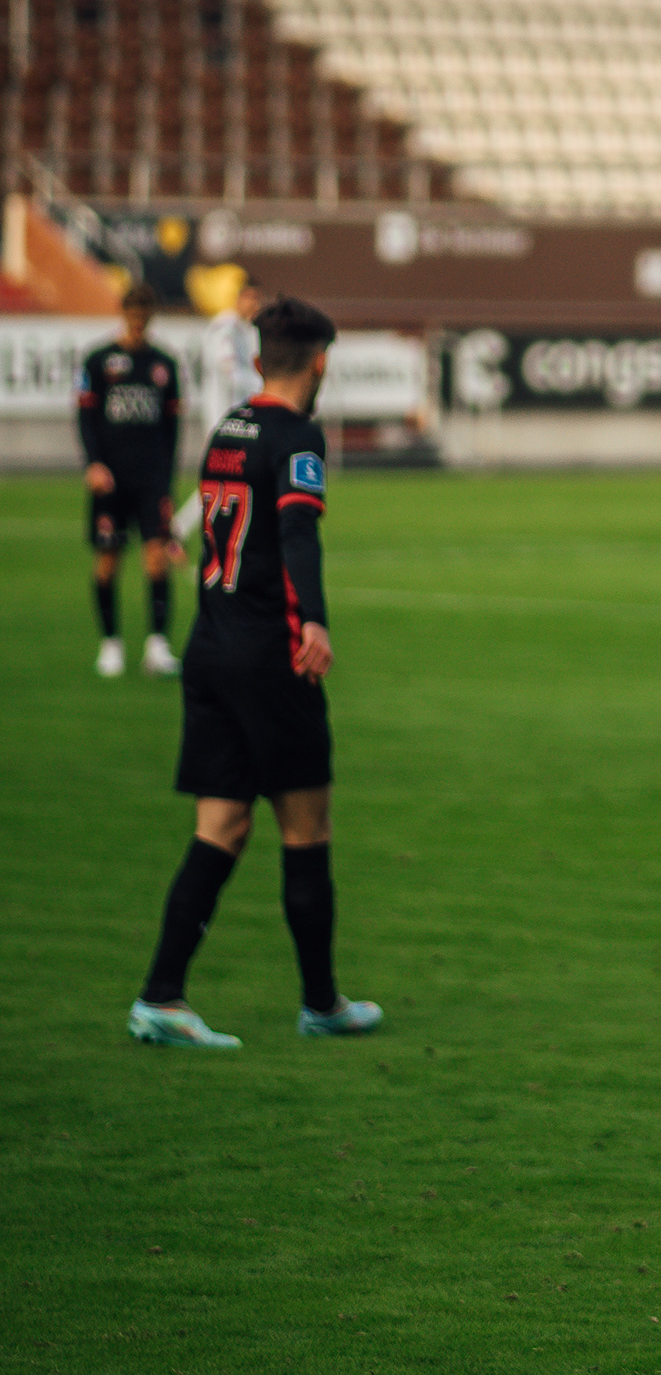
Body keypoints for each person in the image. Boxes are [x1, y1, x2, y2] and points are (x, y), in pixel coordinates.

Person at [127, 294, 382, 1050]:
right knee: (307, 828)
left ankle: (160, 997)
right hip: (269, 656)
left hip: (209, 648)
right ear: (320, 363)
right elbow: (298, 532)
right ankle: (321, 1003)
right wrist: (313, 621)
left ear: (261, 359)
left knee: (222, 827)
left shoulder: (228, 429)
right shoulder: (298, 436)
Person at [77, 281, 183, 679]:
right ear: (123, 314)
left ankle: (157, 646)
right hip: (111, 479)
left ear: (152, 317)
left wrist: (167, 479)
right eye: (133, 316)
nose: (138, 324)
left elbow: (172, 428)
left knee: (157, 559)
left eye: (144, 317)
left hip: (151, 478)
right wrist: (93, 463)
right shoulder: (98, 361)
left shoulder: (164, 364)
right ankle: (110, 644)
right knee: (108, 562)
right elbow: (85, 417)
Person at [178, 274, 263, 540]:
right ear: (239, 297)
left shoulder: (242, 330)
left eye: (258, 299)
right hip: (221, 418)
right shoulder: (226, 328)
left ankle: (186, 531)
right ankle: (177, 531)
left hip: (234, 418)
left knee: (229, 478)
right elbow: (228, 369)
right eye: (251, 298)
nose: (255, 305)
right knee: (225, 478)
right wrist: (262, 387)